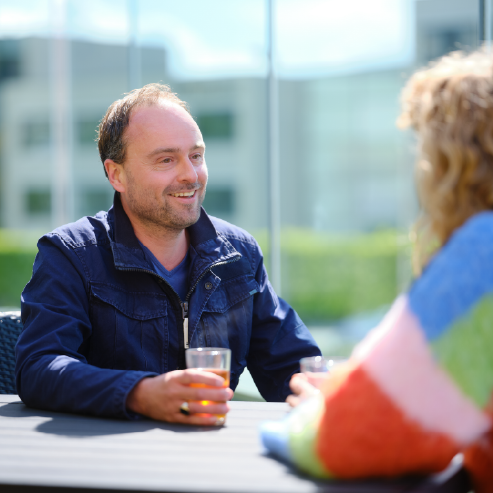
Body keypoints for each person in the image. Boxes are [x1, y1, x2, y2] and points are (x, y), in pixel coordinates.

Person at [15, 83, 321, 426]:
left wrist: (324, 392)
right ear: (117, 174)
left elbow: (294, 367)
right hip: (108, 463)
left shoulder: (239, 254)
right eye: (166, 160)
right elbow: (39, 368)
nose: (190, 176)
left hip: (210, 457)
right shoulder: (70, 254)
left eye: (196, 156)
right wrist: (141, 392)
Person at [260, 49, 493, 492]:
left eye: (422, 149)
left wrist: (322, 410)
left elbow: (345, 439)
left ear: (450, 163)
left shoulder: (483, 254)